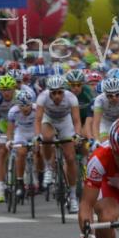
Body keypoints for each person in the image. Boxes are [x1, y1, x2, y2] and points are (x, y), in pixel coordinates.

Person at [35, 75, 82, 213]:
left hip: (65, 122)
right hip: (48, 120)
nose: (56, 96)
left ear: (64, 91)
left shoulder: (71, 98)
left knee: (71, 158)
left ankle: (73, 197)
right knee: (47, 137)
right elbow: (38, 119)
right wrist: (37, 136)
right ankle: (49, 167)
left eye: (59, 92)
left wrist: (77, 135)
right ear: (49, 92)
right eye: (53, 93)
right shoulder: (42, 97)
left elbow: (77, 120)